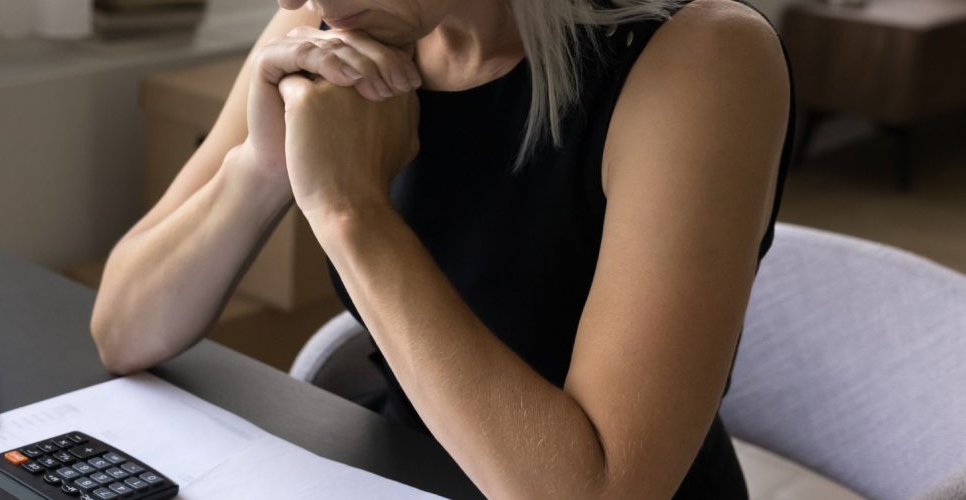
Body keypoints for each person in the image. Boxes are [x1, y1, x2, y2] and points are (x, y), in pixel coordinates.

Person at [91, 0, 792, 496]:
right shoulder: (329, 21)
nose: (300, 1)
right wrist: (265, 167)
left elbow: (600, 492)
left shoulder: (704, 58)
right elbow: (122, 329)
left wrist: (349, 210)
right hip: (403, 467)